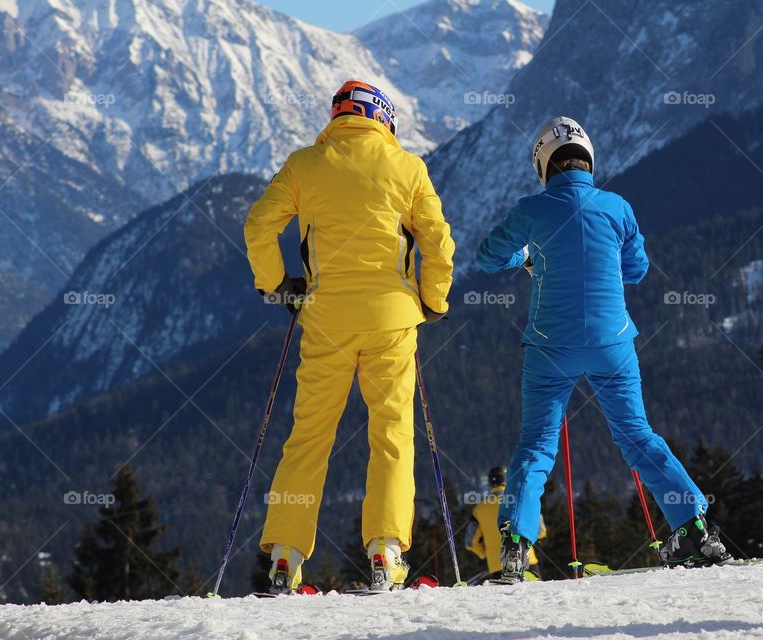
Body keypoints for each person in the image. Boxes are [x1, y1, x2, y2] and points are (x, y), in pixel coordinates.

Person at [475, 116, 730, 583]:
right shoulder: (618, 207)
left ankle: (514, 545)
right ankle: (694, 528)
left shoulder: (531, 209)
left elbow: (488, 256)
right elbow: (636, 270)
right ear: (588, 159)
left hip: (551, 346)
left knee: (536, 445)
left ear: (544, 164)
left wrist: (529, 256)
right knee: (637, 436)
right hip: (614, 344)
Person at [243, 80, 455, 593]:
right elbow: (439, 243)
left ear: (337, 117)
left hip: (324, 320)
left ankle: (285, 560)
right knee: (392, 436)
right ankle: (386, 552)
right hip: (392, 322)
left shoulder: (304, 164)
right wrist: (433, 301)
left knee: (310, 437)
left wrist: (279, 286)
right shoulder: (408, 168)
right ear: (384, 120)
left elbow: (258, 225)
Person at [465, 467, 546, 581]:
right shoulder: (521, 500)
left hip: (498, 566)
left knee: (507, 598)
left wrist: (486, 553)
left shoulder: (479, 510)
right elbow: (540, 531)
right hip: (527, 561)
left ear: (491, 483)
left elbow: (470, 543)